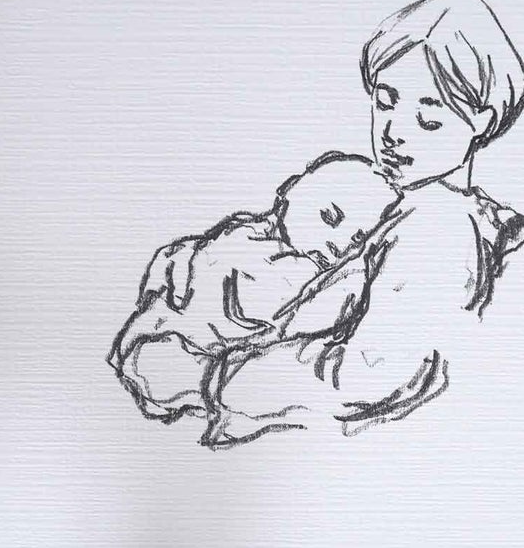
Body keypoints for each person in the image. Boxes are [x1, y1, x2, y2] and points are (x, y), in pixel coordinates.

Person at [199, 0, 524, 447]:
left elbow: (366, 374)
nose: (394, 132)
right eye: (385, 102)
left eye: (428, 118)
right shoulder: (385, 201)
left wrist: (237, 375)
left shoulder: (437, 225)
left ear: (481, 120)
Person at [109, 152, 395, 421]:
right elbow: (183, 257)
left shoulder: (309, 275)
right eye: (329, 217)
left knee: (167, 367)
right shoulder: (252, 229)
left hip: (198, 350)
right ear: (290, 191)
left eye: (357, 239)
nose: (338, 244)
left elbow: (292, 318)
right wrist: (179, 264)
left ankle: (166, 374)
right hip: (171, 322)